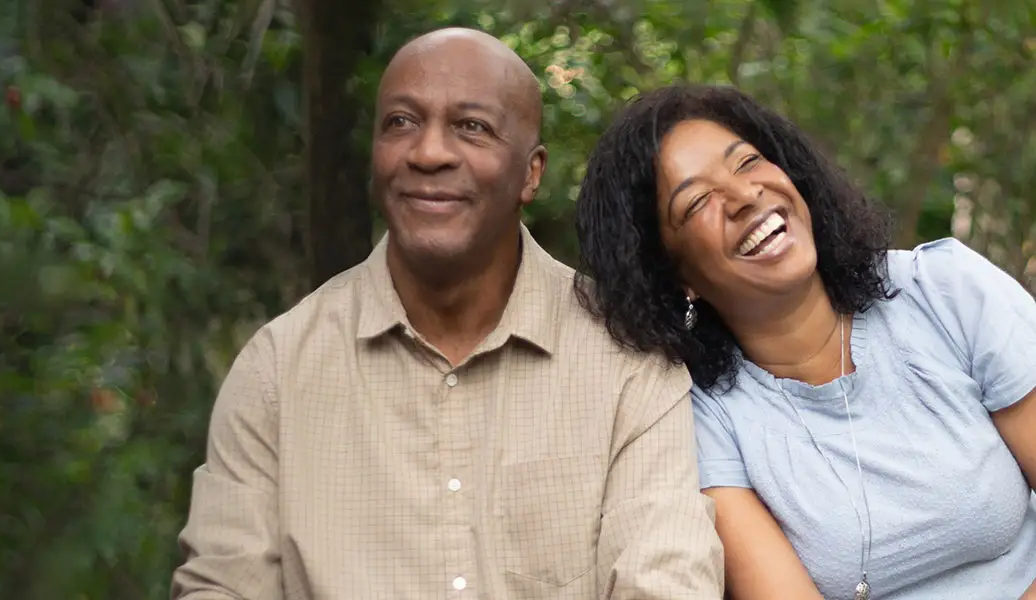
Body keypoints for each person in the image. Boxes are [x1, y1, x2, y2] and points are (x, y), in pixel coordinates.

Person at [170, 28, 724, 600]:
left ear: (530, 173)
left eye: (471, 127)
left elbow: (666, 583)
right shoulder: (278, 372)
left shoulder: (626, 360)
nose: (428, 153)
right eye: (401, 123)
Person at [571, 83, 1036, 600]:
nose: (746, 196)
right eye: (698, 200)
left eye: (747, 162)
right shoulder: (704, 419)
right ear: (674, 274)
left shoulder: (944, 290)